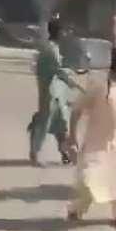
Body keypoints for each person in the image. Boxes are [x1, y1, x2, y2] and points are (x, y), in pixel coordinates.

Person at [67, 46, 116, 230]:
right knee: (87, 181)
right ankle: (76, 208)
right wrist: (72, 137)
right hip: (95, 145)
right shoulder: (99, 85)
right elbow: (77, 111)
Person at [28, 17, 81, 167]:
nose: (67, 34)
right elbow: (58, 71)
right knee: (44, 123)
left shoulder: (52, 47)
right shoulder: (51, 49)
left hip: (56, 92)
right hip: (49, 93)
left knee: (61, 122)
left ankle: (64, 153)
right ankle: (34, 154)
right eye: (65, 31)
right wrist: (71, 82)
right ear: (60, 32)